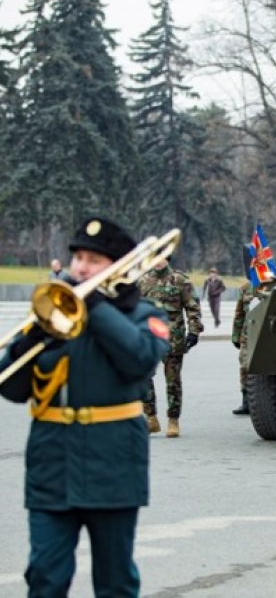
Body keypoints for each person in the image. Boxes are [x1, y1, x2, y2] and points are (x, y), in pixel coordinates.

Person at [0, 217, 170, 596]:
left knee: (115, 582)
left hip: (113, 465)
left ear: (120, 266)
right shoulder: (52, 317)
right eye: (78, 257)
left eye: (93, 259)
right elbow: (11, 387)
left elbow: (140, 360)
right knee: (44, 575)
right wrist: (32, 340)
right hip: (51, 464)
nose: (80, 267)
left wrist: (94, 307)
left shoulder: (145, 315)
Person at [138, 257, 204, 437]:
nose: (158, 262)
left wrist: (194, 331)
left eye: (161, 258)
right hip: (148, 338)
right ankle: (151, 417)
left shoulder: (180, 280)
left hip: (172, 338)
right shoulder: (142, 281)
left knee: (173, 381)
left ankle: (173, 420)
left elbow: (192, 307)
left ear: (167, 259)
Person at [231, 280, 255, 415]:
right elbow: (239, 313)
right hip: (248, 335)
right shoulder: (246, 287)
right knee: (245, 367)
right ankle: (246, 401)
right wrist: (236, 336)